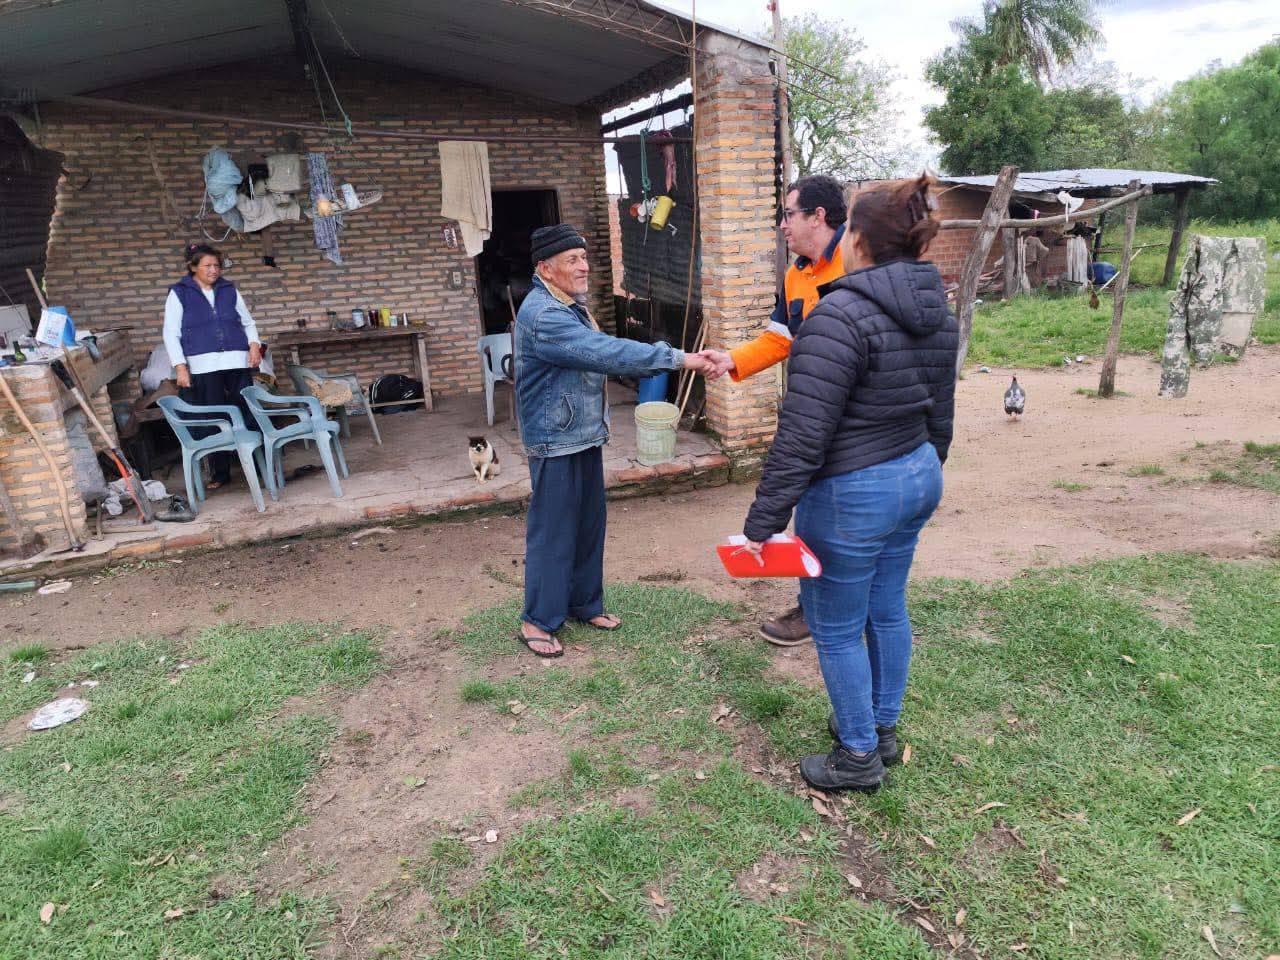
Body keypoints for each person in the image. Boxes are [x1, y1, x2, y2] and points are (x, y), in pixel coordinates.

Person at [737, 175, 958, 793]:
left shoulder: (837, 316)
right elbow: (941, 412)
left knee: (835, 626)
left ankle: (857, 755)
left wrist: (762, 523)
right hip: (918, 474)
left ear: (857, 239)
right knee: (886, 608)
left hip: (854, 495)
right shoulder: (937, 312)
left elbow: (802, 436)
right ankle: (881, 728)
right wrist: (923, 470)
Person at [514, 223, 718, 658]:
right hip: (555, 438)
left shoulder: (568, 305)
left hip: (582, 433)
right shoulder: (545, 315)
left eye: (584, 258)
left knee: (589, 524)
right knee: (554, 531)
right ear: (545, 269)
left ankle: (584, 604)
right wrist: (680, 358)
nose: (584, 266)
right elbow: (605, 353)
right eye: (572, 260)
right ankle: (538, 620)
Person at [703, 174, 848, 647]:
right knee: (813, 511)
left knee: (838, 516)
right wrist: (732, 359)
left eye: (788, 214)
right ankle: (814, 607)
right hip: (813, 410)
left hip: (853, 416)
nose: (782, 225)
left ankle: (831, 609)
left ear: (818, 216)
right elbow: (780, 338)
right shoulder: (796, 274)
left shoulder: (857, 261)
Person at [162, 243, 263, 490]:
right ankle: (221, 473)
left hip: (237, 361)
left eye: (217, 265)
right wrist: (180, 367)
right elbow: (171, 333)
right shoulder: (180, 293)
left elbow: (248, 323)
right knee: (214, 417)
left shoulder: (229, 289)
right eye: (207, 265)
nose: (214, 270)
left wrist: (254, 346)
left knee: (247, 412)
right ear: (193, 267)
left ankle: (259, 466)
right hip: (203, 366)